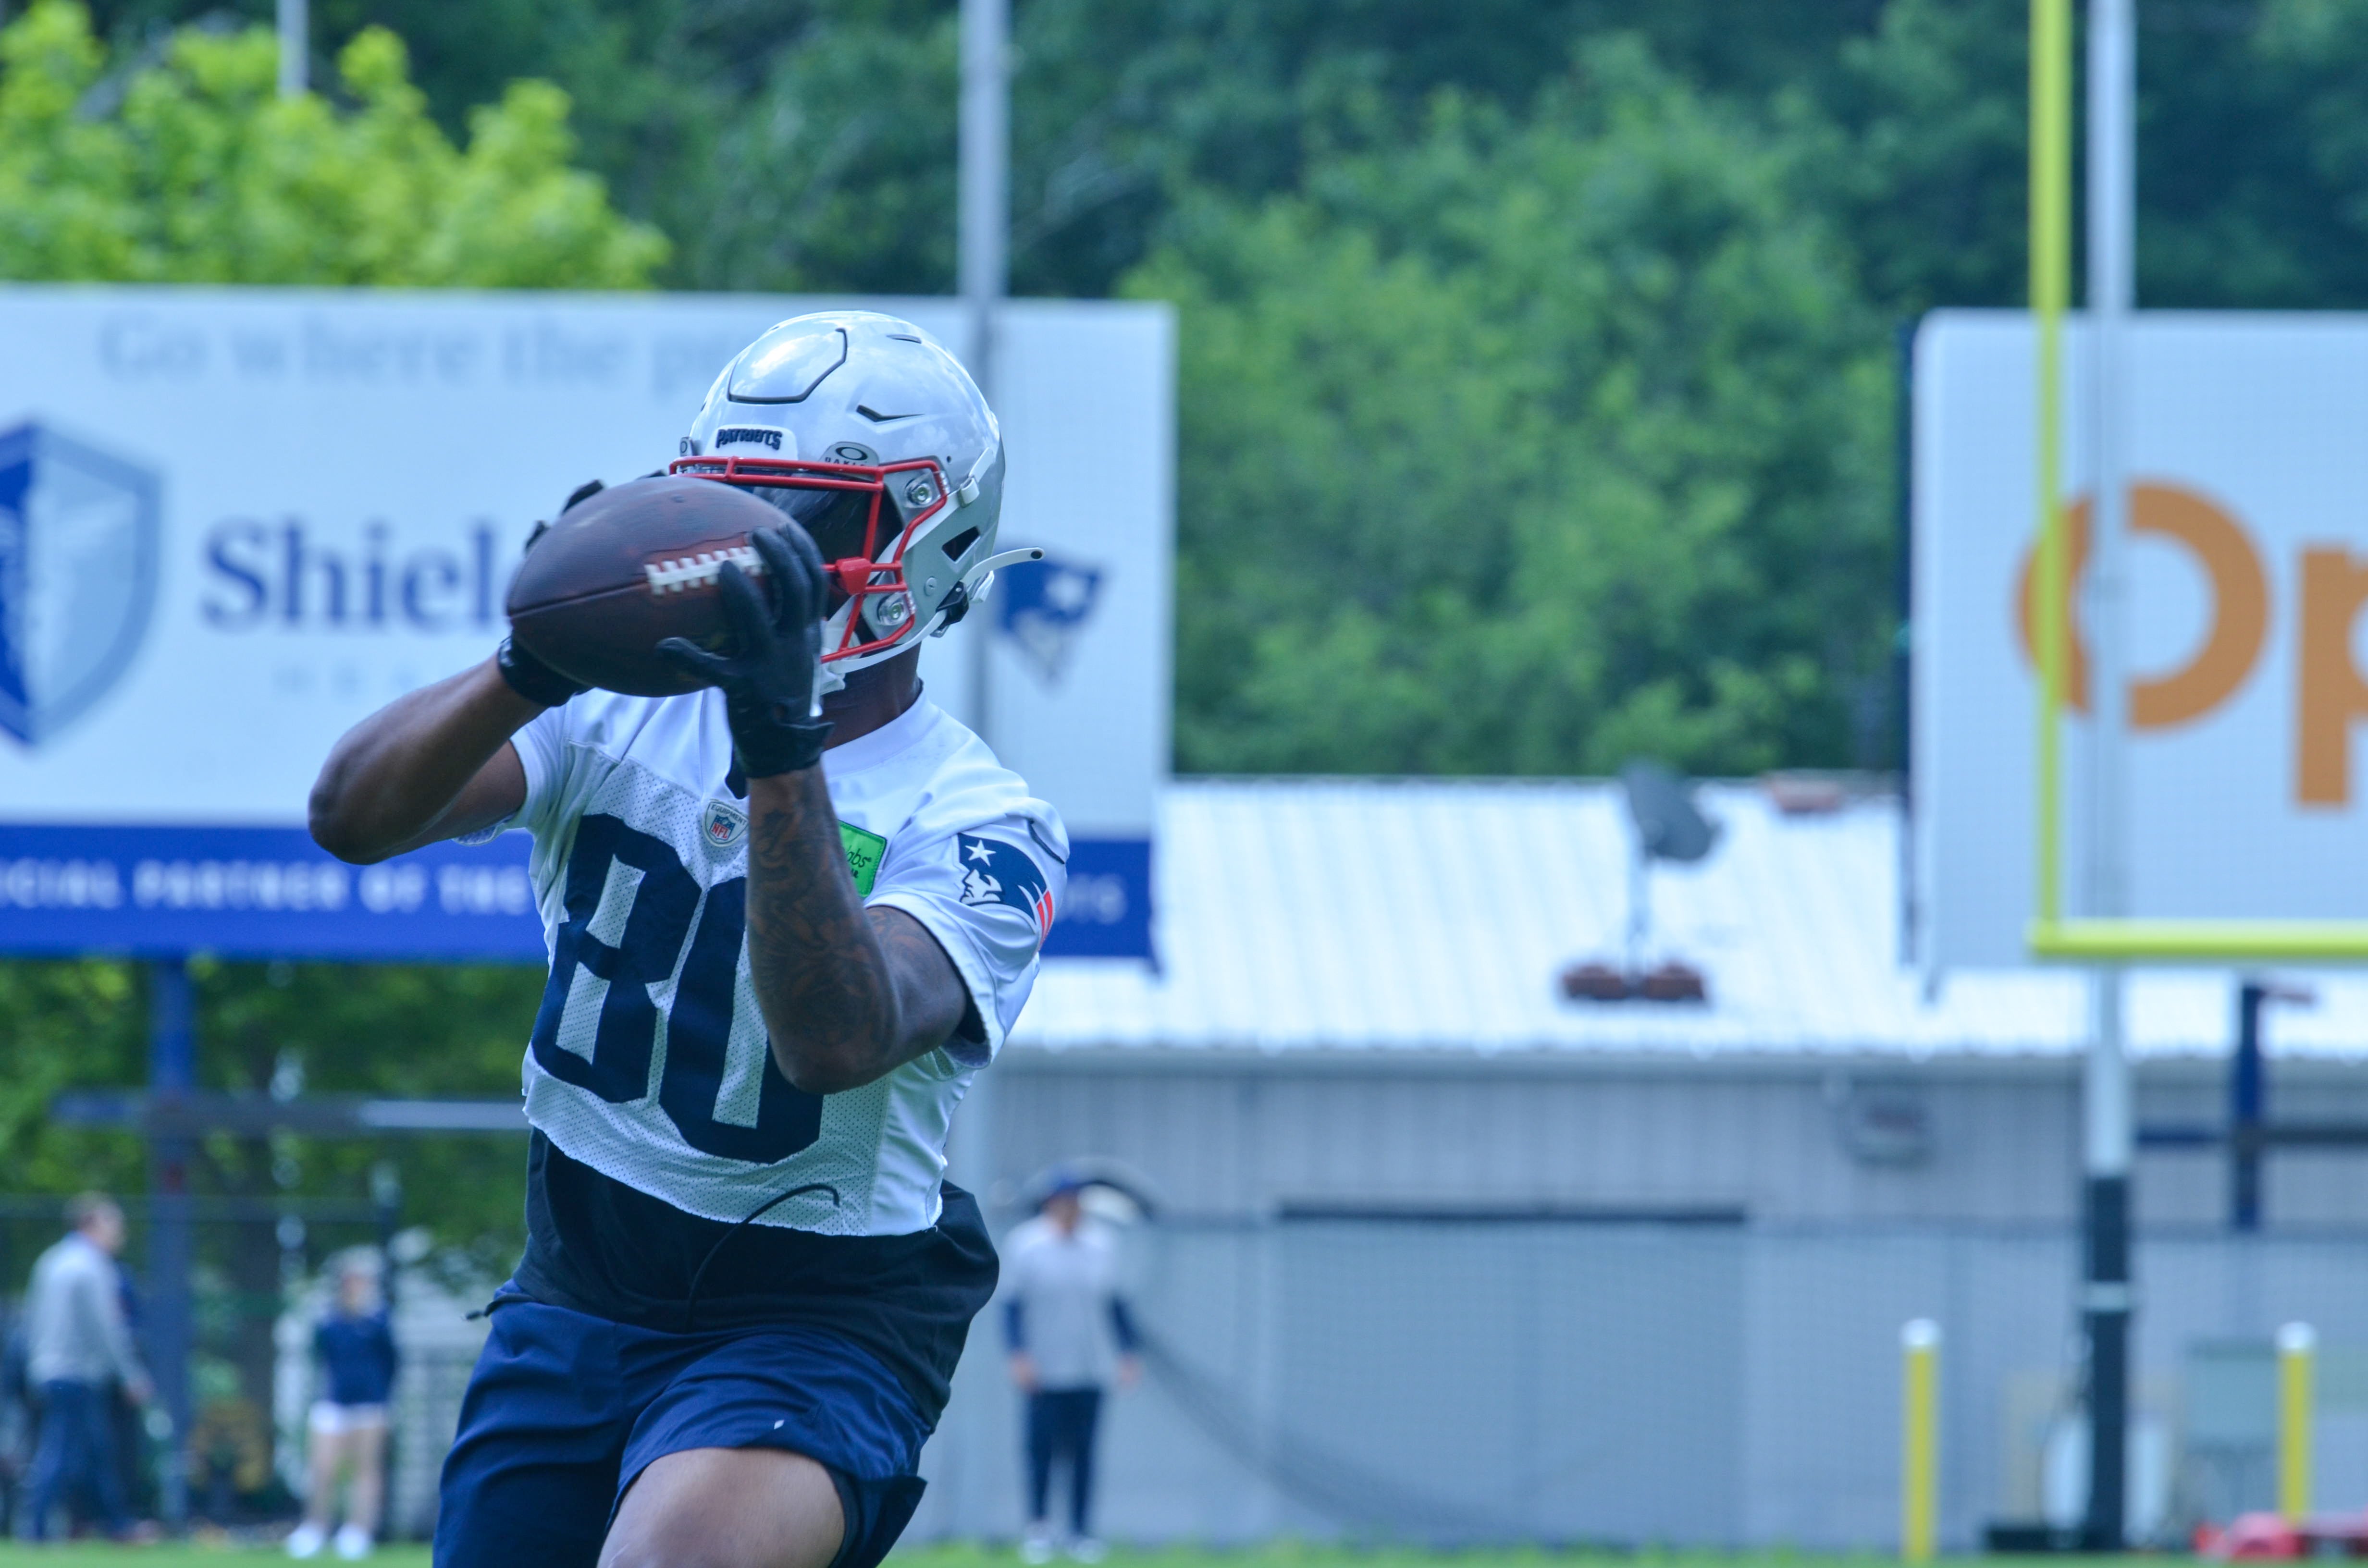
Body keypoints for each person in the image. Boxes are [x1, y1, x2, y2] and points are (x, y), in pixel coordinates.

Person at [308, 311, 1065, 1568]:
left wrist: (781, 746)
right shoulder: (617, 715)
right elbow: (353, 818)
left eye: (814, 519)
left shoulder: (983, 818)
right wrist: (532, 660)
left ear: (937, 540)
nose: (761, 556)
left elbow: (838, 1038)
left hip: (817, 1308)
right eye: (737, 506)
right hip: (583, 1275)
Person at [1003, 1176, 1141, 1563]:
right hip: (1044, 1369)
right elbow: (1011, 1306)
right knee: (1040, 1451)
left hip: (1090, 1367)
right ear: (1050, 1203)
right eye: (1062, 1201)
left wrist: (1127, 1353)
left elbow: (1116, 1304)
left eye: (1075, 1201)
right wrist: (1018, 1355)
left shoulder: (1101, 1244)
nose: (1069, 1208)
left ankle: (1080, 1531)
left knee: (1084, 1453)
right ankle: (1039, 1528)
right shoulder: (1026, 1245)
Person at [21, 1193, 149, 1541]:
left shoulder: (51, 1261)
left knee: (90, 1452)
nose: (120, 1232)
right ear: (90, 1224)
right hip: (76, 1373)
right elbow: (108, 1328)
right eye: (114, 1223)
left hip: (47, 1370)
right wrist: (131, 1375)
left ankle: (114, 1524)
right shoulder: (93, 1266)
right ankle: (34, 1528)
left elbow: (32, 1321)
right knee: (63, 1452)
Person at [287, 1263, 398, 1560]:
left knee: (366, 1469)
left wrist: (384, 1401)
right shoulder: (329, 1321)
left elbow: (391, 1361)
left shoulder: (379, 1322)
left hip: (371, 1404)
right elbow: (321, 1356)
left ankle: (358, 1531)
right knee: (322, 1467)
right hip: (334, 1402)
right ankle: (315, 1527)